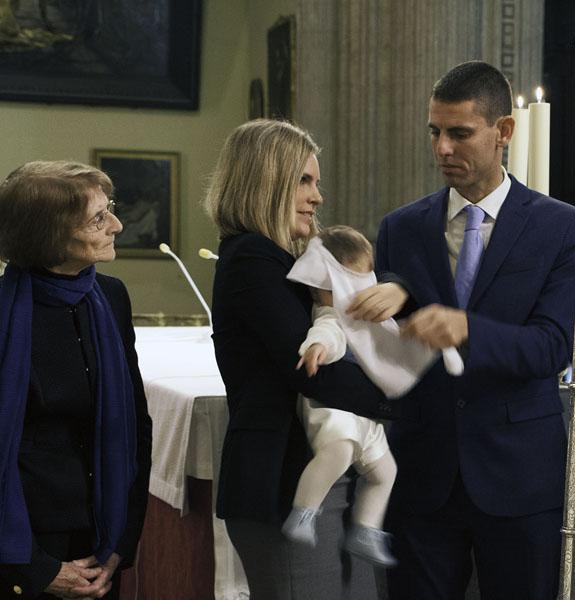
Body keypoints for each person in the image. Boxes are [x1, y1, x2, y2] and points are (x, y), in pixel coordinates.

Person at [353, 61, 575, 599]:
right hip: (422, 472)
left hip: (519, 473)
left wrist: (466, 329)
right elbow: (387, 345)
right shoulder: (401, 228)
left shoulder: (562, 227)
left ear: (503, 132)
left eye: (459, 133)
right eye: (435, 132)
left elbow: (555, 346)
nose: (442, 149)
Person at [205, 119, 406, 600]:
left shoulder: (278, 259)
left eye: (317, 182)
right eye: (304, 180)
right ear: (265, 181)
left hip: (314, 475)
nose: (317, 196)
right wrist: (403, 403)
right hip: (281, 480)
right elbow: (312, 372)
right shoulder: (253, 257)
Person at [0, 161, 152, 599]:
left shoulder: (113, 297)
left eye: (111, 210)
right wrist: (34, 569)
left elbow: (137, 424)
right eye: (98, 218)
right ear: (49, 234)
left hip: (102, 537)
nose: (118, 225)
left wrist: (122, 544)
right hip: (25, 543)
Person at [282, 225, 398, 568]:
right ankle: (304, 510)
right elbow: (328, 332)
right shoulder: (330, 314)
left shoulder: (363, 316)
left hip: (364, 417)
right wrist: (317, 347)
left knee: (385, 473)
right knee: (339, 451)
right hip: (333, 411)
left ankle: (365, 529)